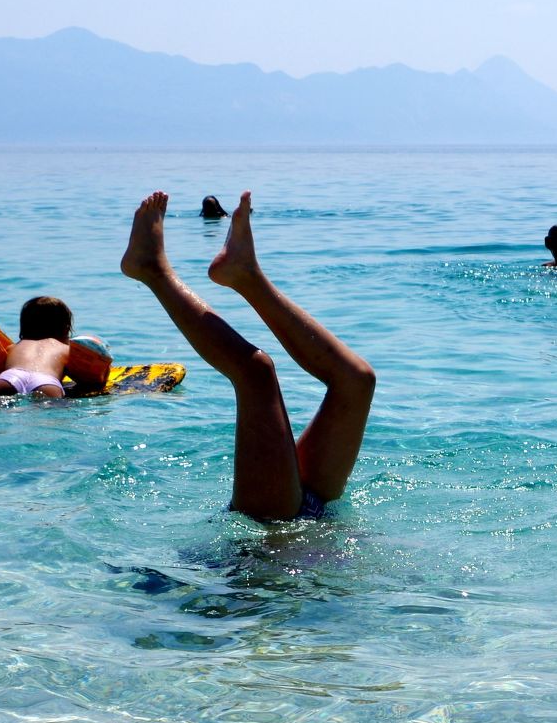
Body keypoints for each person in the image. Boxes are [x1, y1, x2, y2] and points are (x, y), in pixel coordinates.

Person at [122, 190, 374, 522]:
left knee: (256, 372)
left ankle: (153, 271)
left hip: (268, 541)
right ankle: (246, 276)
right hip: (315, 515)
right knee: (356, 380)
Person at [0, 295, 77, 399]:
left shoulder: (12, 348)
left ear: (24, 326)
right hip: (46, 382)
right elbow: (87, 380)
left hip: (10, 378)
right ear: (66, 328)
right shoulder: (65, 350)